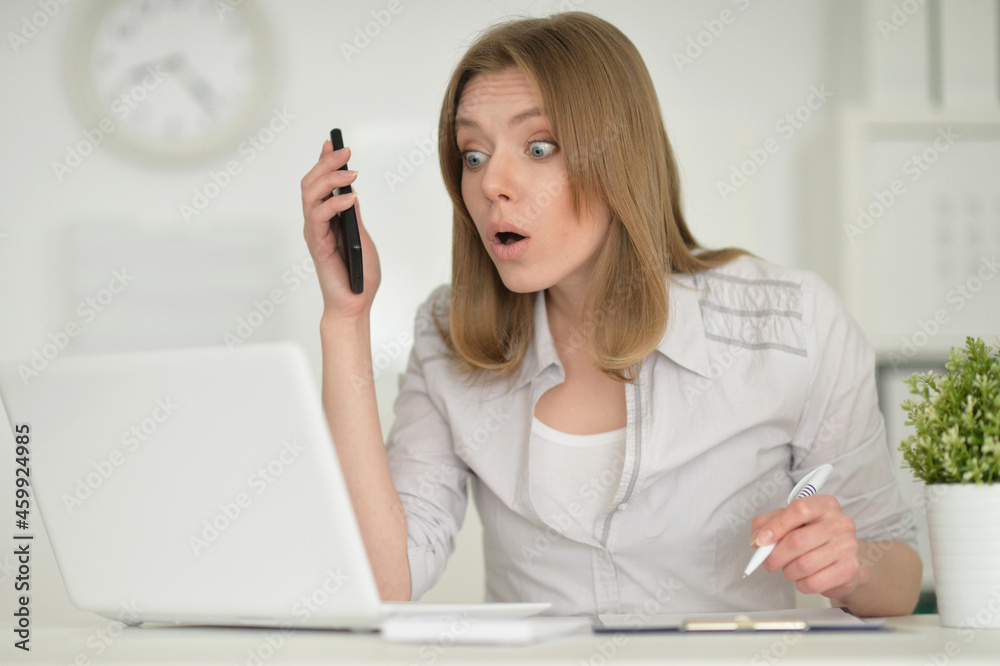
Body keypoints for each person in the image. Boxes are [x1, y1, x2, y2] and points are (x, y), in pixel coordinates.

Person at [300, 11, 921, 617]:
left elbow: (898, 575)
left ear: (621, 157)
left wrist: (854, 566)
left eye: (538, 146)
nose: (491, 184)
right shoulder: (450, 336)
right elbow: (383, 581)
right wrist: (346, 319)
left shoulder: (793, 325)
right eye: (473, 155)